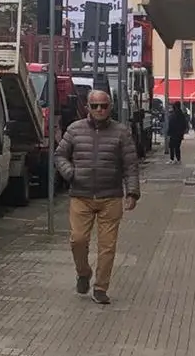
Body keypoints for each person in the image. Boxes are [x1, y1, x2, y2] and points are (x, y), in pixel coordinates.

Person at [55, 89, 141, 306]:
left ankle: (101, 287)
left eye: (104, 105)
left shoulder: (121, 132)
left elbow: (130, 165)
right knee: (78, 240)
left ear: (110, 107)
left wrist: (132, 193)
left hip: (110, 197)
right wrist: (70, 173)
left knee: (107, 246)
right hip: (80, 196)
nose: (100, 110)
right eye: (95, 106)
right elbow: (59, 155)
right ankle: (83, 273)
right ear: (88, 108)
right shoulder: (75, 130)